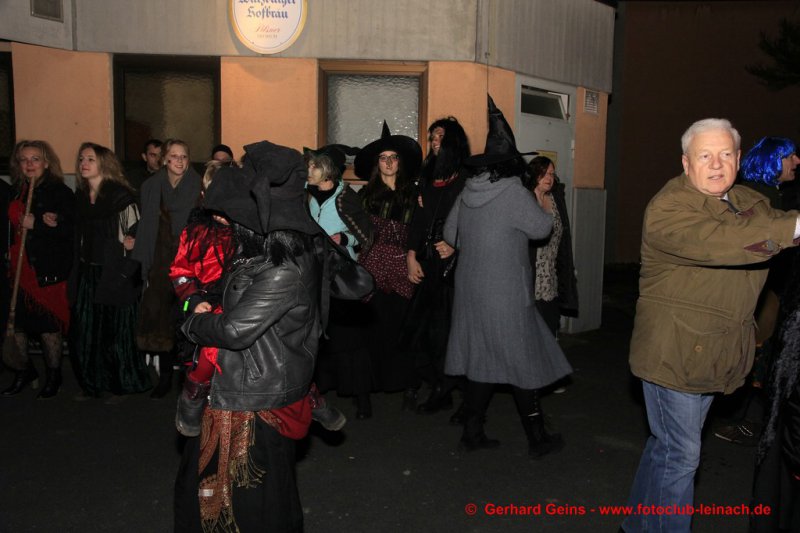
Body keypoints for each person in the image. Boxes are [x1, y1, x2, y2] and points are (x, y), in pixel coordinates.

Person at [622, 119, 800, 533]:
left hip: (716, 353)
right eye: (705, 156)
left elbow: (773, 224)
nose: (716, 164)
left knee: (667, 448)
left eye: (725, 154)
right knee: (681, 455)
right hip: (674, 353)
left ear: (738, 159)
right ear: (686, 163)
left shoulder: (748, 201)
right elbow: (721, 241)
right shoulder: (668, 208)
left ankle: (635, 525)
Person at [174, 140, 323, 532]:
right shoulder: (266, 255)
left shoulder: (282, 268)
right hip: (243, 386)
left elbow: (235, 330)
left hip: (254, 399)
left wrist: (191, 323)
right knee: (213, 494)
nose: (229, 222)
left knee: (250, 506)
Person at [443, 96, 571, 458]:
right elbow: (541, 229)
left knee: (482, 359)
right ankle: (538, 439)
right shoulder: (514, 192)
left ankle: (472, 433)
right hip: (507, 294)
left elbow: (451, 235)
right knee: (523, 360)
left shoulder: (469, 191)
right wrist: (541, 203)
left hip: (471, 291)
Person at [715, 137, 799, 445]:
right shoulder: (758, 199)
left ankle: (743, 418)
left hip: (768, 291)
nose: (797, 161)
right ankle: (745, 421)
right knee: (756, 353)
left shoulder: (770, 194)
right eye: (790, 156)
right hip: (758, 293)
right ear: (772, 160)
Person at [353, 121, 422, 417]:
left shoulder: (414, 195)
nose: (389, 162)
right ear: (377, 163)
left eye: (394, 157)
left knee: (404, 327)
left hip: (405, 267)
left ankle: (408, 386)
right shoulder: (364, 196)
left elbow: (420, 232)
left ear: (400, 162)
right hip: (372, 267)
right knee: (372, 328)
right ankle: (367, 390)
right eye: (383, 158)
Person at [71, 142, 151, 399]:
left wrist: (131, 242)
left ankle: (120, 381)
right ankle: (92, 381)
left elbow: (137, 231)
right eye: (81, 159)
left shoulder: (120, 196)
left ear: (104, 164)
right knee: (87, 329)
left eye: (90, 159)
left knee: (115, 331)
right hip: (89, 271)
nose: (84, 163)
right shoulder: (81, 196)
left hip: (116, 272)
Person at [304, 145, 376, 422]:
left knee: (351, 337)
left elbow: (365, 232)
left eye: (313, 165)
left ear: (327, 171)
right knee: (318, 333)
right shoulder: (306, 193)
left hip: (340, 273)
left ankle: (362, 396)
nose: (308, 169)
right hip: (314, 272)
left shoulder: (346, 197)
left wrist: (345, 238)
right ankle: (318, 391)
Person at [405, 117, 470, 417]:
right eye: (432, 137)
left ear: (453, 141)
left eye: (440, 136)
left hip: (458, 267)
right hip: (429, 263)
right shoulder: (428, 176)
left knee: (453, 330)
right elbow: (419, 219)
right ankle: (440, 385)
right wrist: (411, 255)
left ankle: (459, 393)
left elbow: (477, 220)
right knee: (427, 330)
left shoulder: (467, 178)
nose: (434, 142)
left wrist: (456, 243)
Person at [1, 140, 75, 399]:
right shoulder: (15, 191)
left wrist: (40, 226)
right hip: (17, 270)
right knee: (17, 324)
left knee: (48, 325)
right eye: (24, 159)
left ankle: (54, 376)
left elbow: (71, 231)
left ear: (46, 163)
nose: (29, 164)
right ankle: (24, 372)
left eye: (35, 159)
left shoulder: (59, 192)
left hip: (44, 270)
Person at [132, 138, 202, 398]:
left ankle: (192, 378)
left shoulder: (198, 186)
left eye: (183, 156)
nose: (179, 161)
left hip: (189, 261)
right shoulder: (151, 186)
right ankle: (165, 378)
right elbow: (145, 225)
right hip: (160, 261)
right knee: (161, 319)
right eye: (174, 156)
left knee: (188, 318)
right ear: (164, 159)